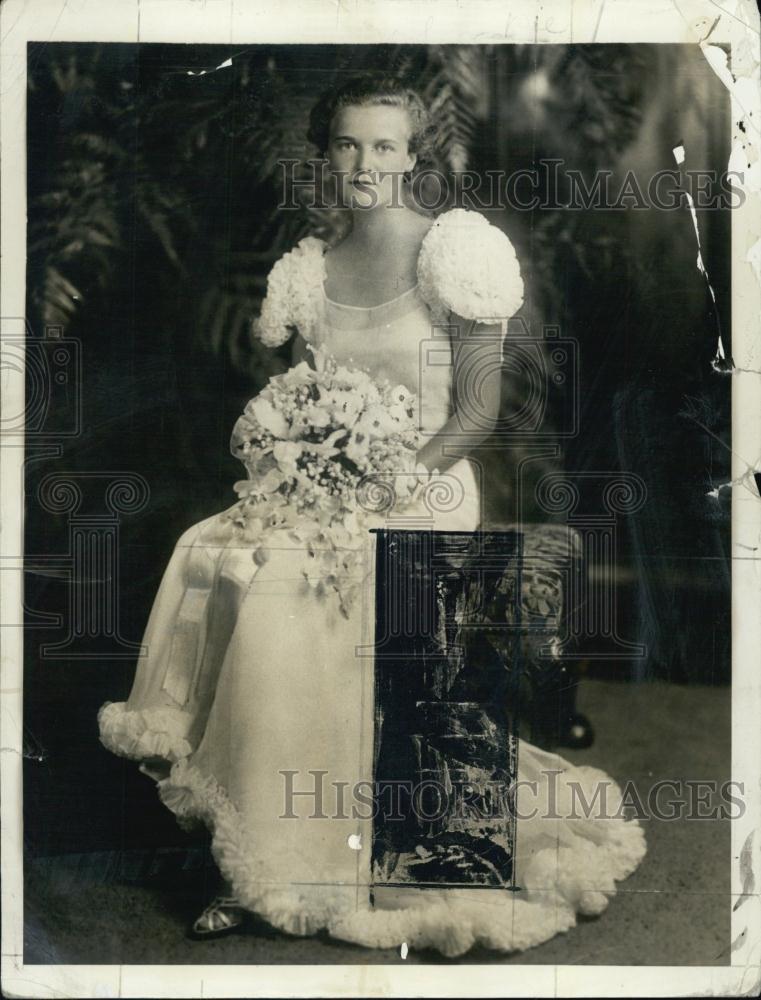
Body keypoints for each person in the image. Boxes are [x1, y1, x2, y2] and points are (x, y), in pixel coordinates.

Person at [98, 76, 646, 958]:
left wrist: (387, 480)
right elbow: (300, 397)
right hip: (330, 484)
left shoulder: (454, 249)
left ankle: (335, 853)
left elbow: (476, 410)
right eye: (348, 145)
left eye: (384, 147)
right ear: (326, 153)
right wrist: (298, 457)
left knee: (291, 593)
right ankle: (261, 858)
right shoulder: (308, 266)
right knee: (216, 552)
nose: (364, 165)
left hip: (430, 484)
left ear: (413, 154)